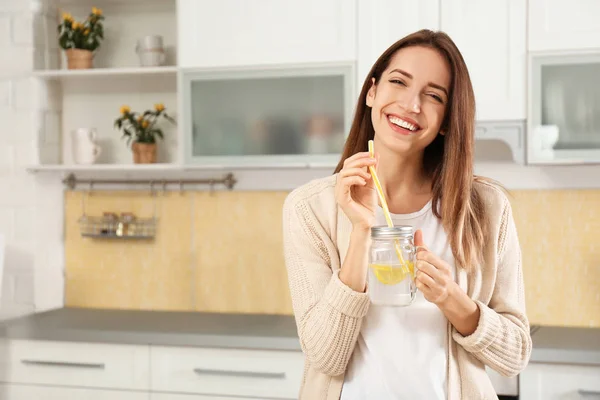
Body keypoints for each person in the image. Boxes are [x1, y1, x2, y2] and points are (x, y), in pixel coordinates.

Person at [282, 29, 532, 400]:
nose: (411, 105)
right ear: (372, 92)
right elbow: (325, 356)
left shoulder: (486, 208)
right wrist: (361, 232)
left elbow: (514, 356)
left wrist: (452, 299)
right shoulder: (309, 208)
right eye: (398, 82)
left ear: (447, 119)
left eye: (433, 96)